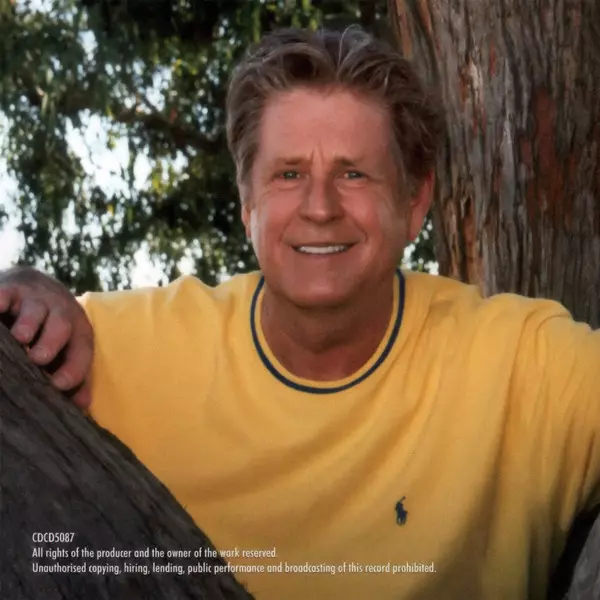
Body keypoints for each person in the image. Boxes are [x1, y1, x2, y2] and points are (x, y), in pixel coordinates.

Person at [0, 26, 598, 600]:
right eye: (288, 174)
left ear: (415, 202)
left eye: (353, 173)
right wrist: (18, 286)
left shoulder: (524, 366)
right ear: (247, 202)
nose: (319, 207)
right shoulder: (111, 348)